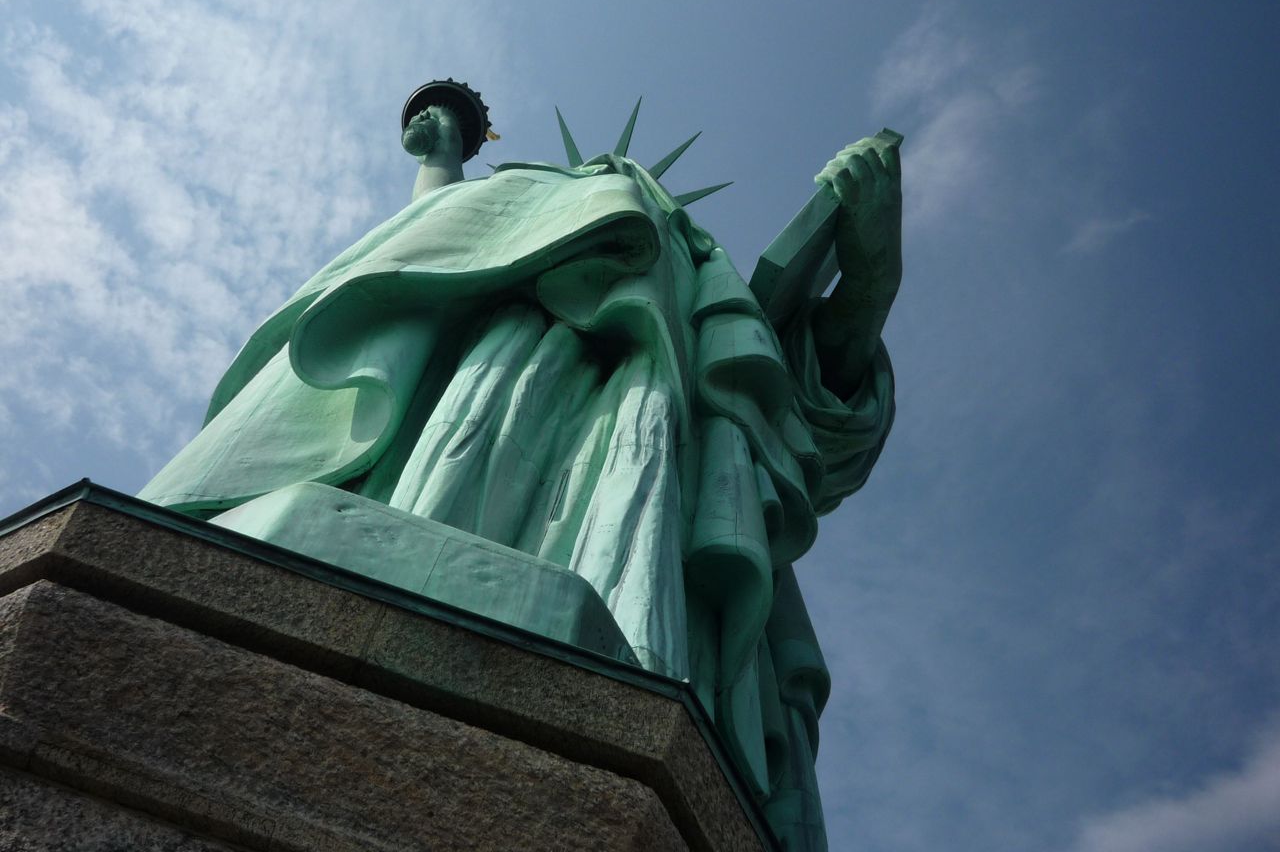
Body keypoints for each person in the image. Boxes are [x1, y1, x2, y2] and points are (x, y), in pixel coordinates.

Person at [141, 80, 900, 851]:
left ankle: (625, 647)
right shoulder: (517, 247)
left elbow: (809, 395)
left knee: (630, 509)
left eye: (623, 215)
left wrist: (872, 270)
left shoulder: (703, 300)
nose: (608, 216)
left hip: (653, 429)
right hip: (500, 372)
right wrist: (441, 161)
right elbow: (432, 240)